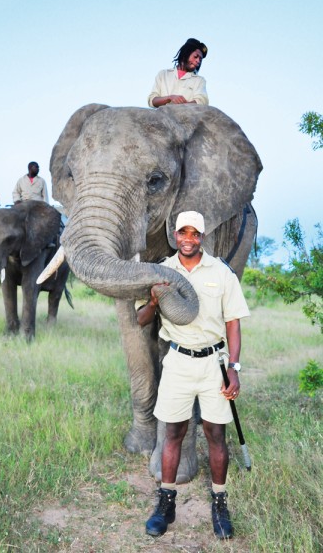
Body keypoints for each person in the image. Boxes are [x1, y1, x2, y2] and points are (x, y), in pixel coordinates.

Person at [136, 211, 250, 540]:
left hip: (214, 363)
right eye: (183, 232)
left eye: (195, 233)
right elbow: (142, 319)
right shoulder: (162, 272)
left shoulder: (221, 272)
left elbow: (233, 323)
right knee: (173, 433)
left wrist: (234, 368)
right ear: (174, 235)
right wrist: (155, 300)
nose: (188, 239)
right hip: (178, 362)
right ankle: (166, 502)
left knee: (216, 434)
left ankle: (219, 502)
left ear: (202, 236)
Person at [148, 38, 209, 108]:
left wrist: (183, 107)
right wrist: (169, 98)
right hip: (162, 117)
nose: (198, 61)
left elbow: (202, 102)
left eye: (200, 59)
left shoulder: (199, 80)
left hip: (185, 118)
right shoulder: (163, 74)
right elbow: (152, 101)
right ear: (186, 53)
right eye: (196, 56)